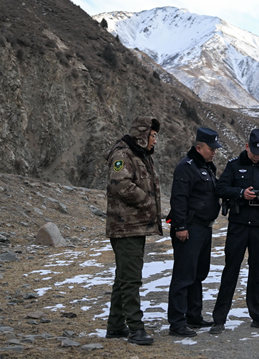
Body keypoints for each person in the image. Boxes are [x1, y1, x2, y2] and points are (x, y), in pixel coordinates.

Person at [209, 128, 259, 334]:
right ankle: (219, 319)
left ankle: (258, 316)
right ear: (246, 146)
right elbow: (220, 189)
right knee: (231, 270)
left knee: (257, 272)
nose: (257, 156)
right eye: (254, 152)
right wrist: (241, 193)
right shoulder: (234, 165)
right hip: (239, 225)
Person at [105, 116, 163, 345]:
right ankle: (136, 329)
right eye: (153, 136)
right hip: (125, 227)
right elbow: (120, 184)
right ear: (142, 135)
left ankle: (115, 326)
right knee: (131, 280)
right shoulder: (123, 154)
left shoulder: (139, 155)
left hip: (134, 226)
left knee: (123, 278)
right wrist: (147, 201)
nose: (155, 140)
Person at [166, 127, 223, 336]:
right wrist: (181, 226)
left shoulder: (207, 167)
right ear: (199, 148)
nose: (214, 152)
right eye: (211, 148)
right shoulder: (186, 167)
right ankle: (177, 322)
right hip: (190, 228)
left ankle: (194, 315)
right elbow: (179, 199)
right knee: (184, 275)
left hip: (204, 228)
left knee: (198, 273)